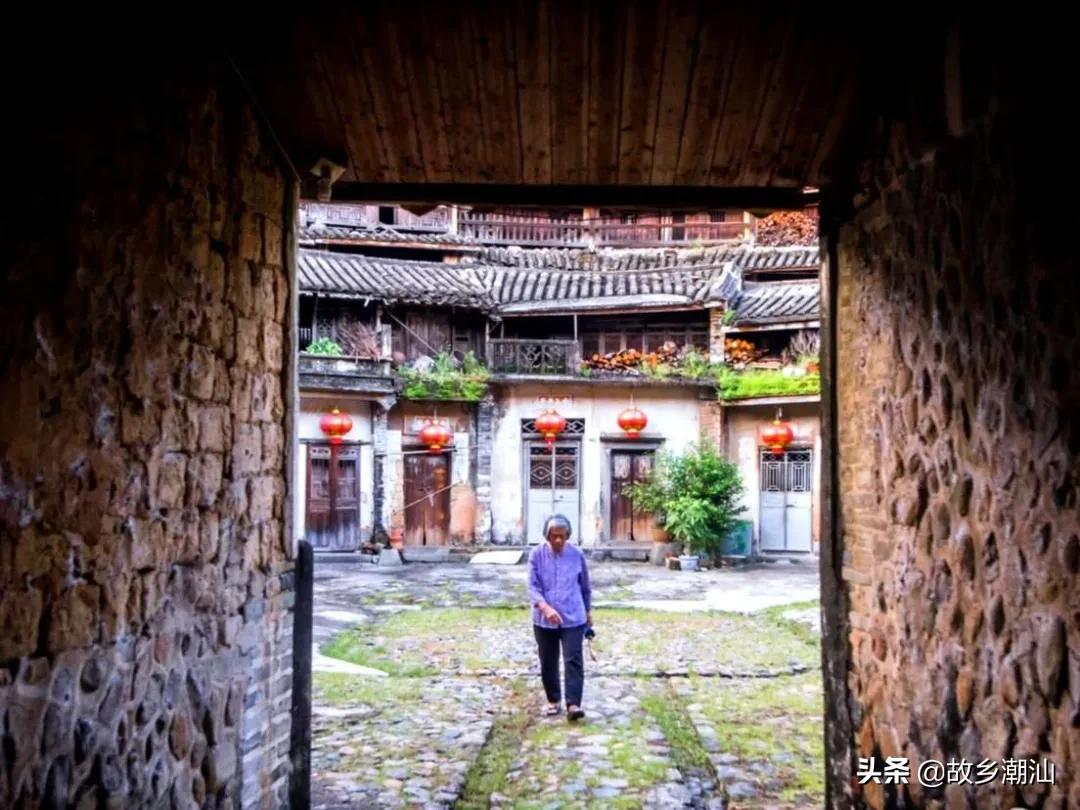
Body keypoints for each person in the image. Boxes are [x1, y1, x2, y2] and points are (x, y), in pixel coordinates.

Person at [527, 513, 593, 721]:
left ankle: (573, 704)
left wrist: (588, 611)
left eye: (562, 536)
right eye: (554, 536)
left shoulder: (577, 555)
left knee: (573, 660)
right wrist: (545, 608)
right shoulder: (536, 555)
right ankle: (553, 701)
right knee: (548, 660)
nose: (558, 540)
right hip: (544, 619)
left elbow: (585, 587)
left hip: (573, 616)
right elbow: (532, 587)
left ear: (568, 536)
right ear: (547, 536)